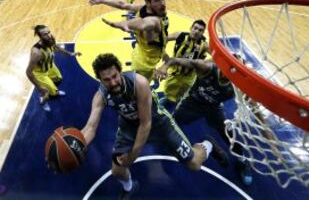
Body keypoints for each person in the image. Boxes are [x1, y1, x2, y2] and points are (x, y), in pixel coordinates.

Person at [80, 53, 228, 199]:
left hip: (159, 124)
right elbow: (90, 127)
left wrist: (132, 156)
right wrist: (77, 145)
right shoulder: (101, 95)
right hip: (129, 127)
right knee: (117, 171)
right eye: (106, 80)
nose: (112, 82)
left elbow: (146, 124)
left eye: (114, 76)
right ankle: (129, 187)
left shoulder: (139, 83)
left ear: (121, 72)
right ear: (100, 80)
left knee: (194, 164)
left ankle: (208, 144)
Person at [169, 57, 254, 185]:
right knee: (171, 126)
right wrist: (165, 66)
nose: (233, 75)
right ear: (225, 67)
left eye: (236, 72)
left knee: (228, 134)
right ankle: (210, 145)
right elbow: (180, 61)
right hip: (193, 102)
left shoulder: (237, 84)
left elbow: (254, 104)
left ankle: (242, 160)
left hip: (214, 107)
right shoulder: (207, 68)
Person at [89, 0, 169, 81]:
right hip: (146, 63)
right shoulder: (154, 21)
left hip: (146, 51)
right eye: (157, 0)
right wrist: (126, 23)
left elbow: (124, 5)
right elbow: (143, 23)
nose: (162, 3)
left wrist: (103, 0)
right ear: (148, 2)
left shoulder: (144, 8)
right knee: (140, 89)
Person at [154, 19, 209, 109]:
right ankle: (167, 100)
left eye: (200, 30)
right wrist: (163, 53)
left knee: (185, 95)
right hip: (175, 71)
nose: (197, 31)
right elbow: (163, 39)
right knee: (169, 91)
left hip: (190, 76)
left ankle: (180, 104)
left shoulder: (205, 45)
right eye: (195, 28)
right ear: (191, 28)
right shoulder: (181, 36)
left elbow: (216, 56)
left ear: (203, 33)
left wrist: (204, 64)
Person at [26, 25, 81, 112]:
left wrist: (70, 53)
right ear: (40, 36)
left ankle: (53, 90)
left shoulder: (49, 41)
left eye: (49, 32)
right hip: (40, 73)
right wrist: (40, 88)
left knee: (58, 78)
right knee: (47, 93)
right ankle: (43, 101)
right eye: (45, 34)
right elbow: (28, 72)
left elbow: (56, 47)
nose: (48, 35)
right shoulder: (36, 52)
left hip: (50, 66)